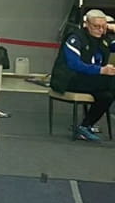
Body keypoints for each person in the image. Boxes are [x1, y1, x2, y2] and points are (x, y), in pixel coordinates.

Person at [49, 8, 115, 140]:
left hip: (91, 81)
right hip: (69, 79)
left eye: (103, 26)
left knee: (107, 96)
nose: (100, 30)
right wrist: (101, 70)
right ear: (87, 24)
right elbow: (75, 64)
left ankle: (84, 126)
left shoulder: (105, 39)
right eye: (96, 26)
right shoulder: (75, 38)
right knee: (111, 82)